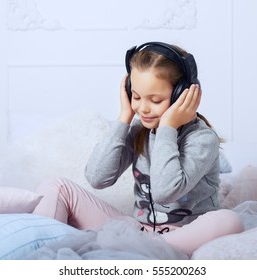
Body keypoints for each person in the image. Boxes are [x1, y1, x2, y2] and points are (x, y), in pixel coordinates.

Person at [33, 41, 244, 257]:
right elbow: (97, 177)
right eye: (136, 96)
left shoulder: (202, 139)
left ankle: (144, 251)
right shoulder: (139, 128)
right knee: (56, 186)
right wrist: (124, 117)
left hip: (184, 235)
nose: (143, 108)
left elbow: (164, 193)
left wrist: (167, 127)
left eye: (155, 100)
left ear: (182, 94)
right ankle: (32, 249)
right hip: (138, 231)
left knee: (229, 220)